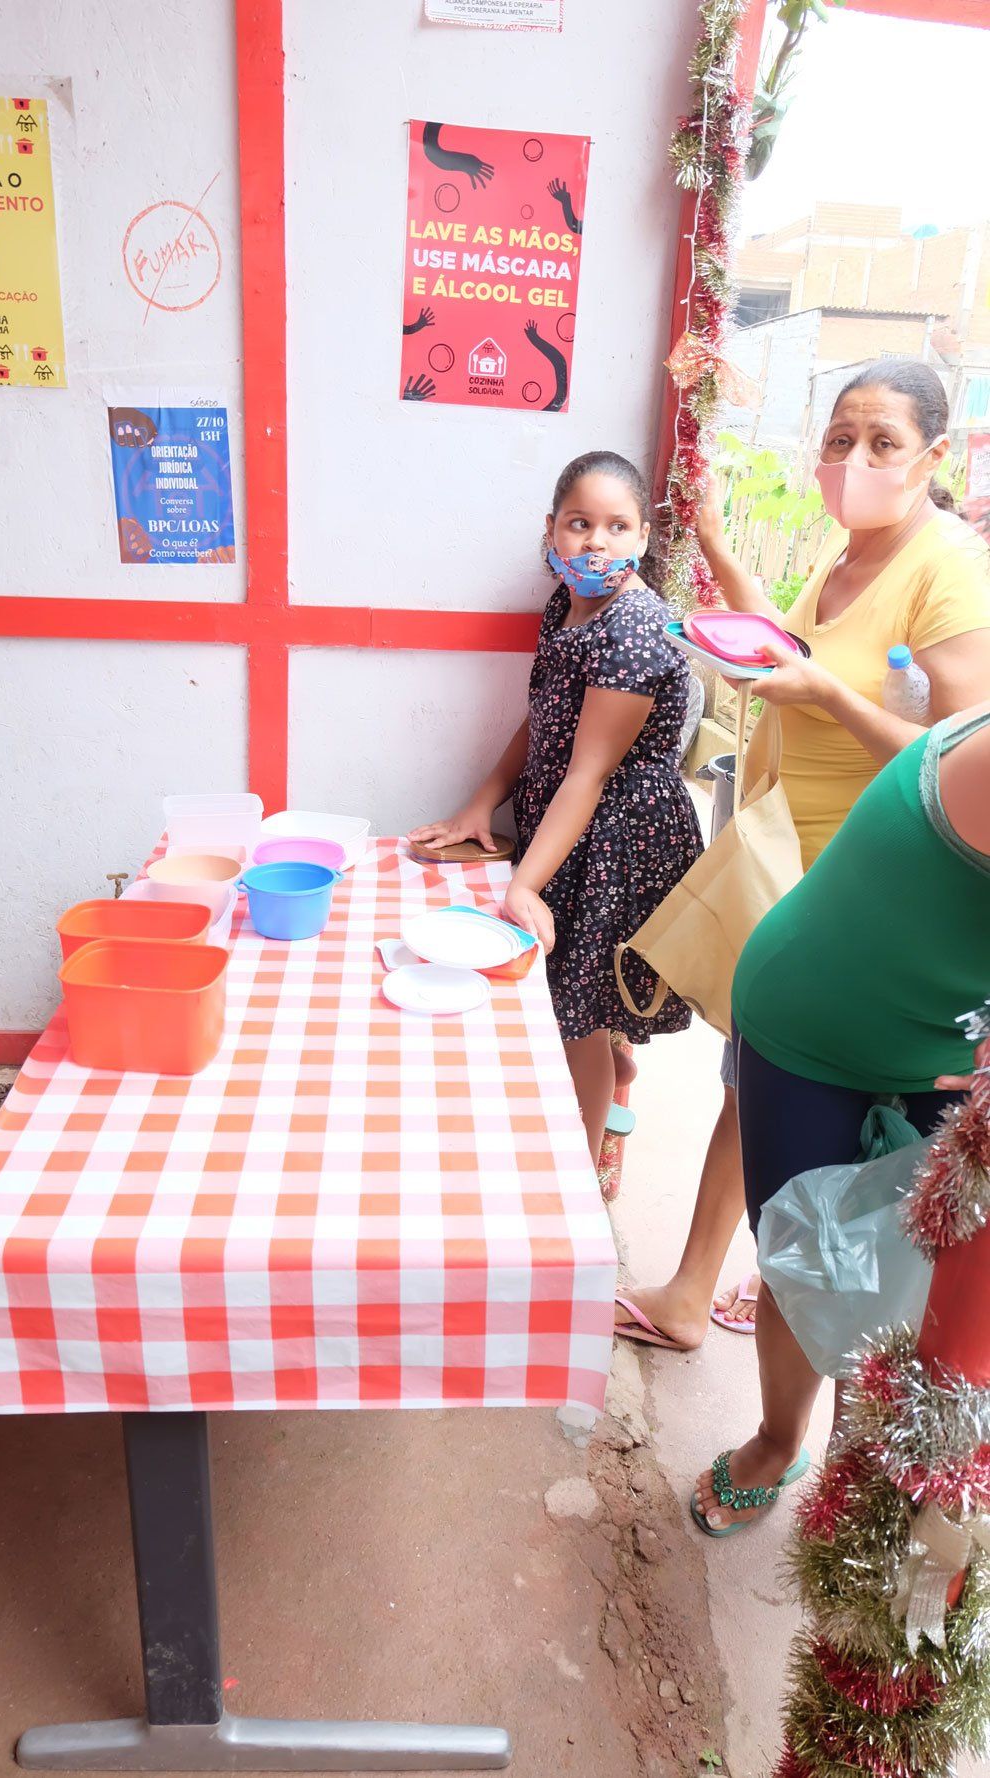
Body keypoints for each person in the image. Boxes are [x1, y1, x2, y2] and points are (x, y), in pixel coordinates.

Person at [616, 357, 990, 1352]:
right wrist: (712, 546)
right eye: (838, 440)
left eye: (882, 442)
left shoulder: (946, 570)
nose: (853, 461)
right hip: (795, 859)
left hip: (872, 889)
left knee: (803, 1093)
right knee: (757, 1072)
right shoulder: (849, 546)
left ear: (932, 457)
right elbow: (787, 645)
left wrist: (822, 695)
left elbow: (956, 763)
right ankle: (719, 1285)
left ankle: (786, 1302)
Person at [691, 700, 990, 1534]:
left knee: (907, 1288)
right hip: (811, 1024)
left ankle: (854, 1476)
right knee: (803, 1265)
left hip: (955, 1046)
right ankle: (777, 1440)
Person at [409, 450, 703, 1167]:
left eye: (617, 526)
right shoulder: (566, 601)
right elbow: (544, 720)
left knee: (577, 1018)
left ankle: (580, 1172)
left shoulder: (632, 630)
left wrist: (524, 884)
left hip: (619, 841)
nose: (596, 542)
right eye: (579, 523)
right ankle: (611, 1077)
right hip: (571, 827)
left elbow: (589, 773)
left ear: (642, 537)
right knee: (579, 996)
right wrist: (482, 804)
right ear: (552, 530)